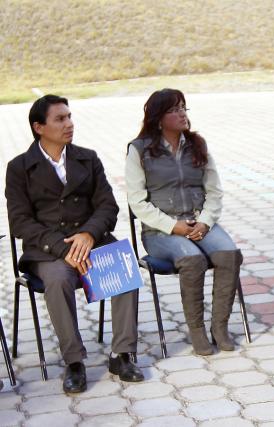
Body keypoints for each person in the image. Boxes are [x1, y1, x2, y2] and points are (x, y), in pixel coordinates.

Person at [6, 95, 143, 393]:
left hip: (90, 240)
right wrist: (63, 248)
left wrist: (89, 235)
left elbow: (107, 205)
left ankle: (122, 354)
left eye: (69, 117)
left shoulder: (88, 157)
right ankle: (74, 361)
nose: (69, 124)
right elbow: (20, 222)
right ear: (39, 127)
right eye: (60, 119)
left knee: (123, 265)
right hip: (48, 249)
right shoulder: (18, 168)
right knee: (58, 280)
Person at [126, 89, 243, 355]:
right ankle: (197, 331)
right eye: (174, 110)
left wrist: (205, 222)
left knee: (229, 255)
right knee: (193, 260)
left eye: (183, 108)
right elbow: (137, 202)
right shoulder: (139, 150)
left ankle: (220, 327)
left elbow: (214, 191)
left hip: (198, 222)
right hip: (159, 232)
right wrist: (172, 226)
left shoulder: (197, 145)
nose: (182, 114)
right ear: (158, 118)